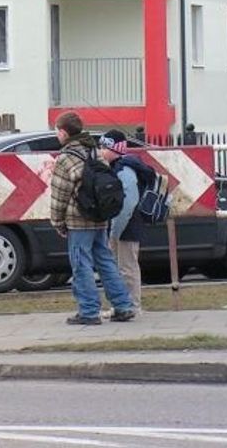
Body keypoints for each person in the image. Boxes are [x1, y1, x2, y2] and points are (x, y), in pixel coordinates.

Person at [49, 110, 136, 326]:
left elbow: (60, 193)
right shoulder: (94, 151)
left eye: (57, 131)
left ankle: (88, 311)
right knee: (105, 261)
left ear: (63, 132)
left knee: (81, 264)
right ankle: (123, 306)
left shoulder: (66, 157)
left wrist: (57, 222)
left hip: (78, 219)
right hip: (100, 217)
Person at [100, 128, 143, 315]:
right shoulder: (118, 167)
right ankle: (121, 305)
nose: (101, 150)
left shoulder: (124, 169)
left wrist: (115, 231)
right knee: (120, 266)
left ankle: (133, 305)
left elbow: (129, 201)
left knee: (127, 267)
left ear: (115, 149)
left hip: (126, 226)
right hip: (122, 225)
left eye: (104, 146)